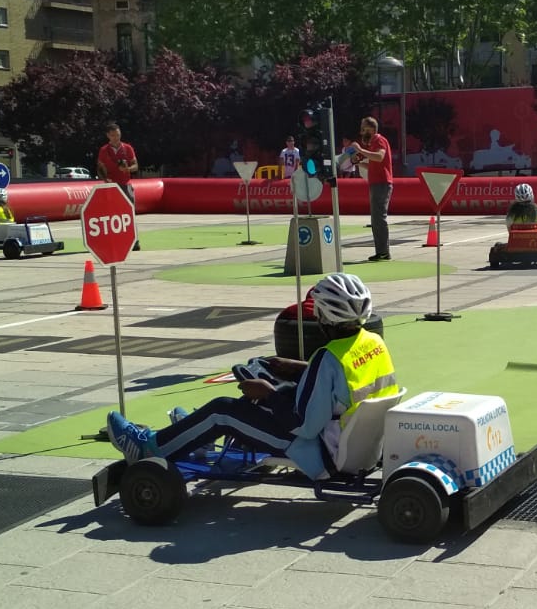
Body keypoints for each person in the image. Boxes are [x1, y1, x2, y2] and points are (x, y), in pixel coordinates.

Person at [106, 273, 401, 478]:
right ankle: (192, 436)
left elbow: (305, 427)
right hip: (361, 450)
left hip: (319, 454)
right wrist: (295, 369)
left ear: (324, 316)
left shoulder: (328, 358)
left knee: (223, 410)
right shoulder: (373, 343)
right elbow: (341, 387)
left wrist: (268, 393)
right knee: (271, 394)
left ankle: (146, 447)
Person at [356, 116, 395, 261]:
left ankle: (384, 252)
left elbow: (379, 157)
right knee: (376, 218)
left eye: (364, 128)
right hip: (376, 183)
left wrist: (360, 150)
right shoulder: (373, 143)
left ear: (372, 129)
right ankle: (382, 251)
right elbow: (373, 163)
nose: (362, 132)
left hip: (381, 183)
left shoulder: (379, 140)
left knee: (378, 218)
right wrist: (358, 162)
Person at [97, 123, 138, 200]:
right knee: (111, 210)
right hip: (110, 185)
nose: (116, 138)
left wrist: (128, 169)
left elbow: (136, 166)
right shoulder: (103, 150)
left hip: (126, 184)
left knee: (129, 209)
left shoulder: (128, 148)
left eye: (118, 135)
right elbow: (99, 168)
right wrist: (105, 180)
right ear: (108, 135)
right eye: (113, 135)